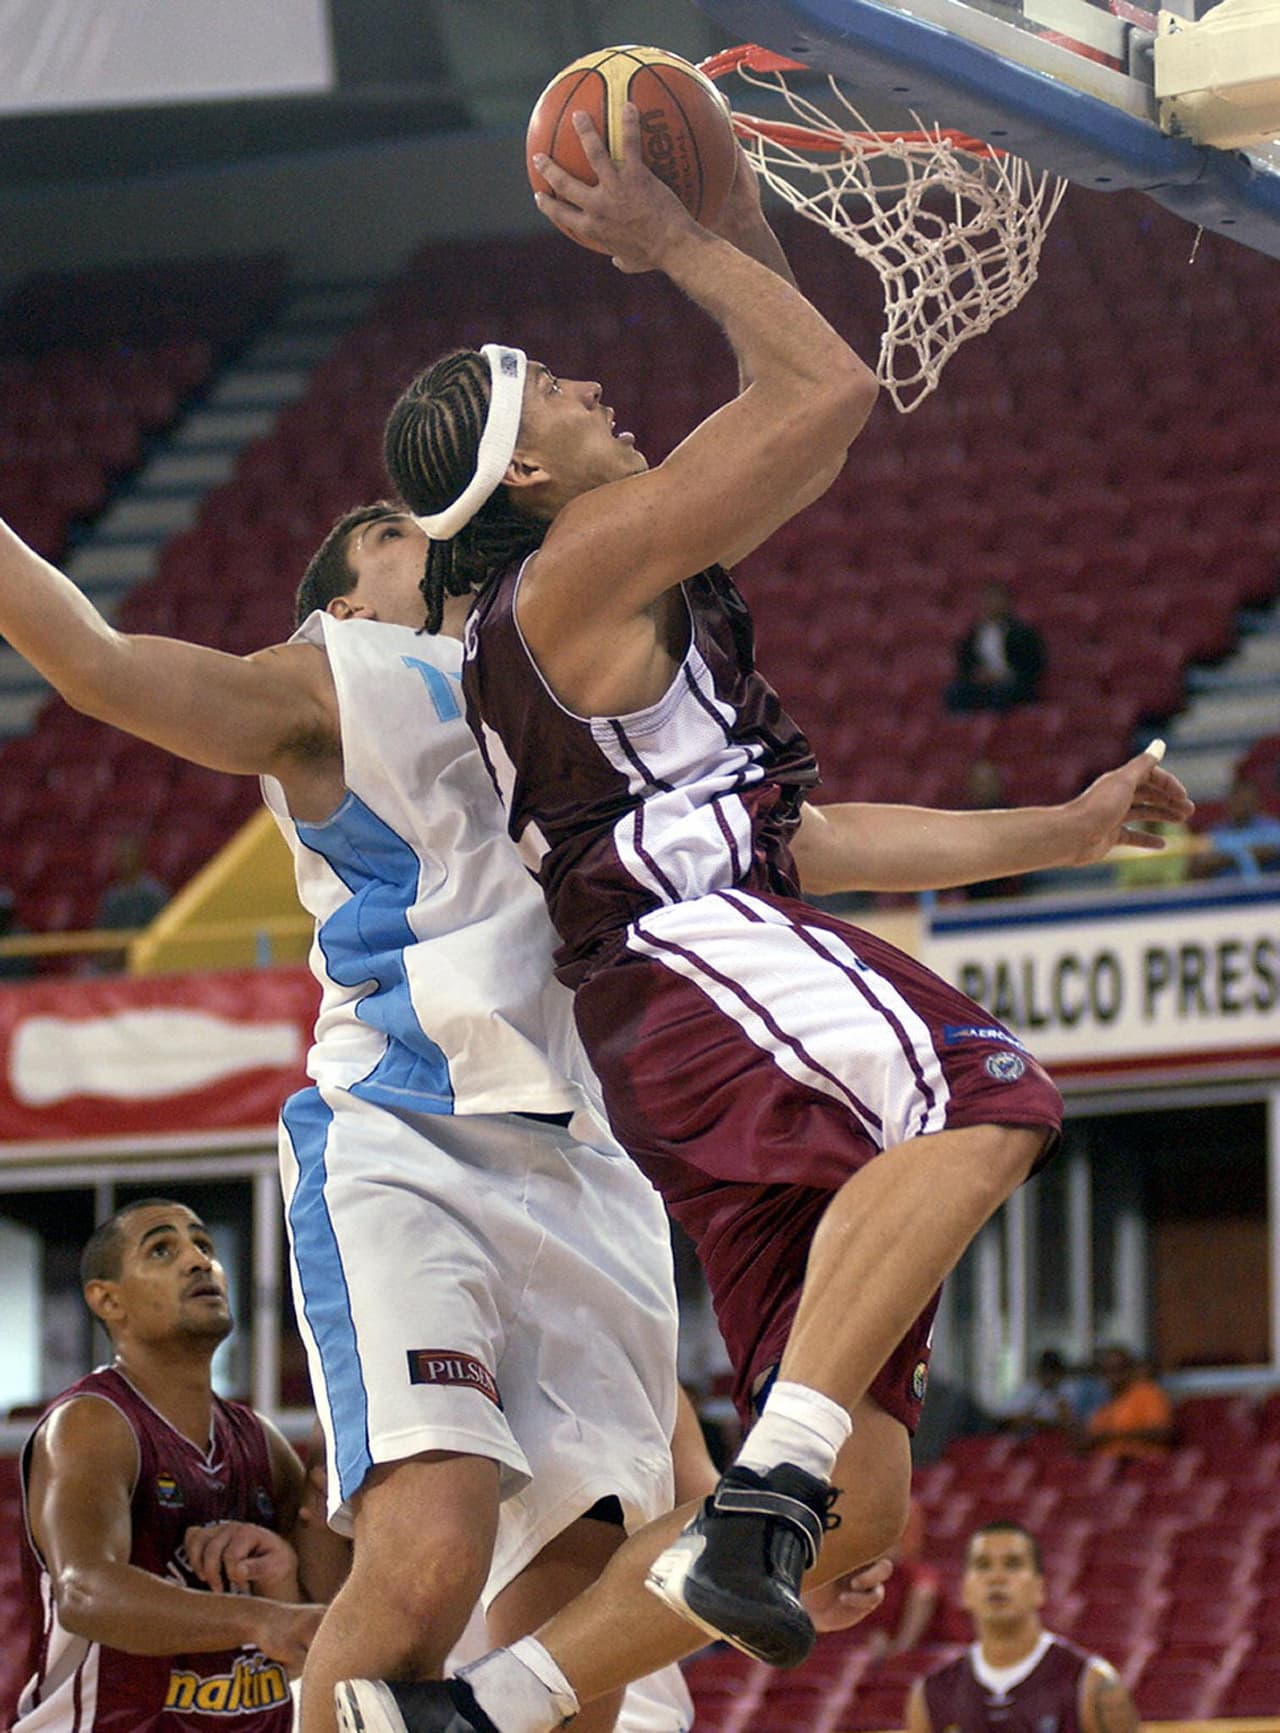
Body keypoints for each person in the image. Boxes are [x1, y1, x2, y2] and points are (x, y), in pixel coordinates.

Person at [352, 108, 1191, 1733]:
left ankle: (468, 1714)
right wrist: (676, 241)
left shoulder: (605, 605)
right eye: (563, 389)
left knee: (865, 1502)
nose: (603, 388)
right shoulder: (585, 562)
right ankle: (764, 1492)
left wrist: (1067, 825)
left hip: (682, 1014)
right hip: (698, 959)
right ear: (526, 470)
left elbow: (808, 832)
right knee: (983, 1093)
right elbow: (821, 392)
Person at [0, 500, 886, 1733]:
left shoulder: (561, 690)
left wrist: (1066, 829)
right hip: (409, 1134)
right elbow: (93, 660)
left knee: (579, 1635)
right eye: (390, 528)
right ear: (346, 603)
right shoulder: (335, 679)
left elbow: (794, 843)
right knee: (430, 1550)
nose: (436, 528)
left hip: (589, 1160)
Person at [14, 1198, 325, 1731]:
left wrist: (281, 1577)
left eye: (204, 1245)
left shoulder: (260, 1441)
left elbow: (317, 1631)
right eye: (162, 1249)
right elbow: (86, 1593)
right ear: (108, 1300)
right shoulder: (92, 1423)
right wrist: (258, 1617)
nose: (198, 1261)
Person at [905, 1522, 1138, 1733]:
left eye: (1012, 1564)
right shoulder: (931, 1694)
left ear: (1039, 1588)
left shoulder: (1091, 1683)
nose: (996, 1578)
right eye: (983, 1565)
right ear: (965, 1590)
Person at [945, 583, 1046, 714]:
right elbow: (964, 662)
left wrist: (1005, 675)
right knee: (955, 692)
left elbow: (1034, 663)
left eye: (996, 599)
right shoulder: (974, 633)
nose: (991, 604)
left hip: (1012, 682)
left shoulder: (1023, 633)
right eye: (988, 599)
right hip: (983, 682)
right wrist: (978, 675)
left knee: (1001, 694)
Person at [1084, 1346, 1174, 1461]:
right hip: (1107, 1466)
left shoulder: (1148, 1393)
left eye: (1119, 1369)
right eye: (1107, 1370)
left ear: (1130, 1369)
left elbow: (1162, 1434)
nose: (1113, 1375)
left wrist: (1114, 1435)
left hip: (1141, 1464)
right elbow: (1090, 1440)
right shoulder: (1102, 1403)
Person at [1195, 771, 1280, 879]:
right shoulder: (1215, 831)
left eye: (1245, 800)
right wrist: (1244, 855)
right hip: (1223, 892)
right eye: (1236, 798)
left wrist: (1228, 857)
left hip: (1267, 892)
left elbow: (1270, 851)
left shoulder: (1272, 827)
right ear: (1228, 802)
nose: (1240, 804)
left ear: (1255, 802)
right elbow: (1202, 863)